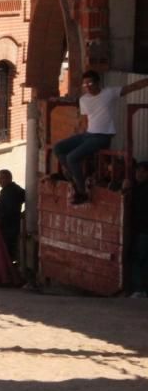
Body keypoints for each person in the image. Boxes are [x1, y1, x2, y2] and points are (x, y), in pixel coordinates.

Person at [53, 70, 148, 204]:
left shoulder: (108, 93)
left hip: (102, 137)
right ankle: (76, 177)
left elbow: (132, 87)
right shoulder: (83, 99)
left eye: (90, 83)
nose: (88, 87)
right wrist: (81, 136)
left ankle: (82, 192)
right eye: (84, 85)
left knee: (71, 157)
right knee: (58, 148)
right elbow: (86, 120)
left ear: (98, 83)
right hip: (88, 134)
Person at [0, 170, 26, 265]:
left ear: (9, 178)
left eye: (3, 178)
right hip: (6, 227)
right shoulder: (9, 190)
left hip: (8, 229)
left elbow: (10, 211)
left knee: (6, 253)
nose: (0, 181)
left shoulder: (12, 191)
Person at [123, 161, 148, 298]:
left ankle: (138, 289)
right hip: (143, 230)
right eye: (138, 171)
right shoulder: (139, 187)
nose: (139, 174)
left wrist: (126, 189)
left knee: (137, 258)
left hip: (143, 231)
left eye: (143, 171)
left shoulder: (142, 189)